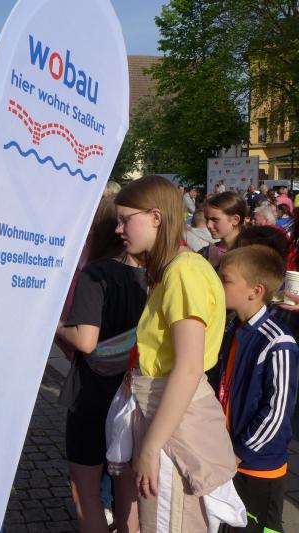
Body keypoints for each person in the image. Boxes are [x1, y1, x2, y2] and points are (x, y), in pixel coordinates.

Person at [114, 175, 237, 531]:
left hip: (171, 425)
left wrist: (150, 447)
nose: (119, 229)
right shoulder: (174, 269)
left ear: (155, 217)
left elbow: (188, 367)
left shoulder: (183, 271)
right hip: (166, 417)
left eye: (125, 220)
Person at [56, 196, 143, 533]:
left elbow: (86, 342)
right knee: (126, 487)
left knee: (86, 490)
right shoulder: (149, 272)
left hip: (92, 394)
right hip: (133, 390)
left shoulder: (96, 273)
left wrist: (53, 325)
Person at [213, 245, 299, 533]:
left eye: (225, 279)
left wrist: (240, 452)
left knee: (259, 528)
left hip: (257, 466)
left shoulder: (278, 342)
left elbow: (276, 411)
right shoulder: (232, 328)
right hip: (228, 456)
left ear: (255, 290)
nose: (217, 283)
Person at [200, 191, 247, 269]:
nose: (208, 225)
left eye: (215, 219)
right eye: (207, 219)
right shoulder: (207, 252)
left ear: (235, 220)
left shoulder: (250, 254)